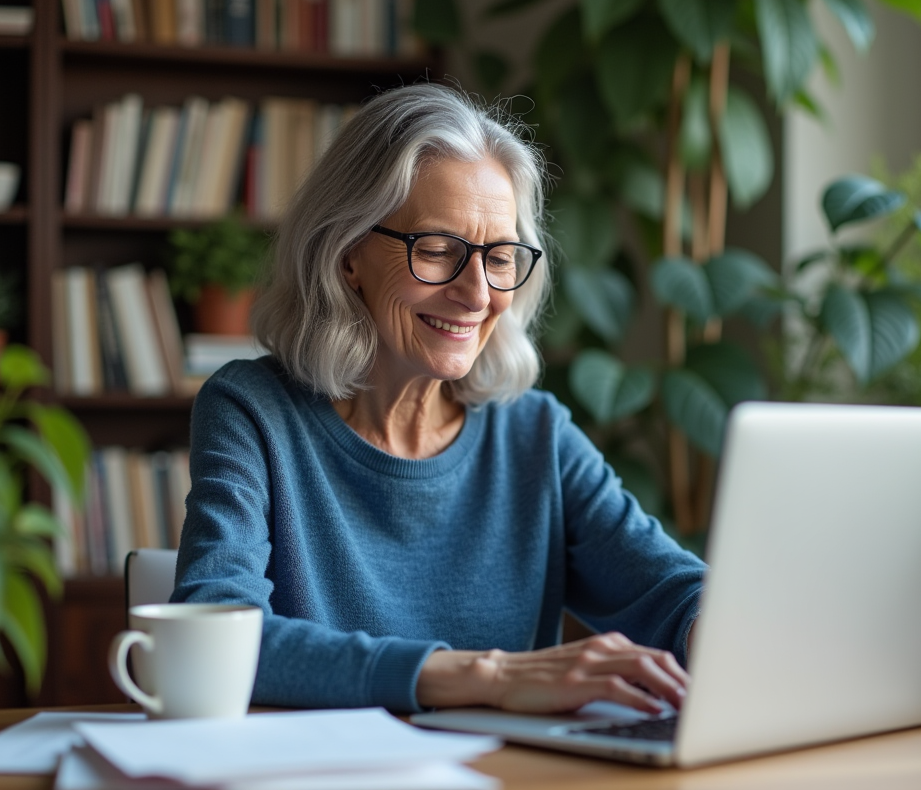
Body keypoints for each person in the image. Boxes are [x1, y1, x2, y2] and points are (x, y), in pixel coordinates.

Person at [171, 83, 706, 715]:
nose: (477, 294)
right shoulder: (252, 411)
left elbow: (672, 591)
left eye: (499, 258)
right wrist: (490, 677)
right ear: (347, 254)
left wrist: (717, 630)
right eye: (437, 250)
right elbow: (217, 636)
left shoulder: (534, 433)